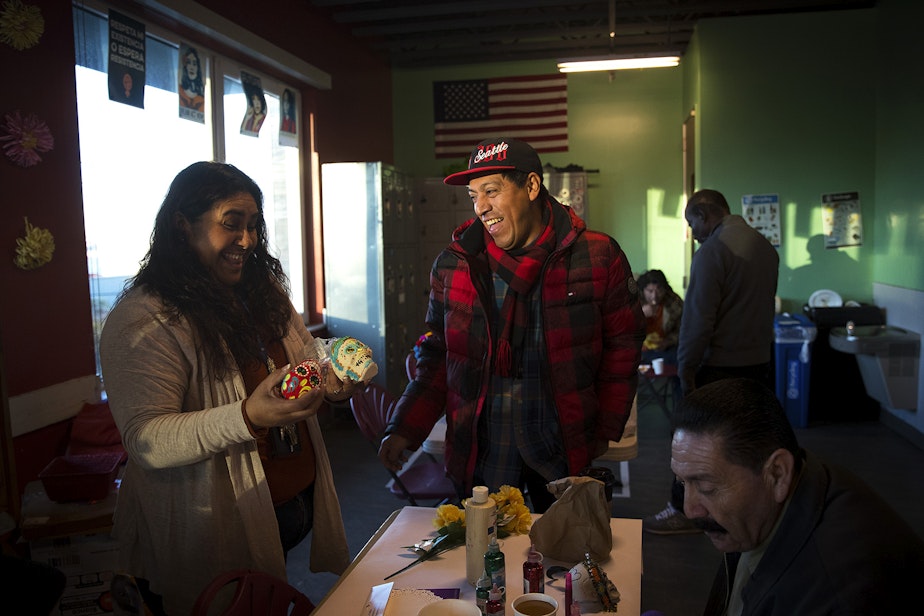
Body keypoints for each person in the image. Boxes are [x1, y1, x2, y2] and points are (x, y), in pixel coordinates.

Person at [99, 162, 352, 615]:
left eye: (253, 226)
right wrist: (247, 417)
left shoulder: (262, 293)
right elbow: (147, 440)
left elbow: (307, 356)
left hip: (284, 511)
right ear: (182, 225)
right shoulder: (144, 319)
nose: (248, 241)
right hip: (212, 531)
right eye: (231, 224)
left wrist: (335, 380)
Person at [378, 137, 645, 513]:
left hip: (563, 448)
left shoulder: (597, 256)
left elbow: (624, 346)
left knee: (565, 562)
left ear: (532, 187)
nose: (481, 207)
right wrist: (406, 425)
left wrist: (604, 429)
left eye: (492, 191)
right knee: (484, 561)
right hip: (482, 453)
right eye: (473, 195)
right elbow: (437, 355)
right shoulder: (455, 265)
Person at [669, 378, 924, 615]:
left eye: (707, 488)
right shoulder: (775, 498)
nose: (690, 510)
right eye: (682, 483)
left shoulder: (833, 593)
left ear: (778, 474)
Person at [644, 188, 779, 534]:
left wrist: (686, 368)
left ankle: (683, 509)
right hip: (760, 362)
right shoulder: (765, 248)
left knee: (694, 443)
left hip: (718, 367)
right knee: (743, 444)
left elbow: (698, 320)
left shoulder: (713, 251)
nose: (694, 233)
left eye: (693, 223)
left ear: (704, 215)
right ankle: (743, 511)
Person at [636, 269, 683, 364]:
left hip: (665, 348)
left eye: (659, 290)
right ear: (642, 290)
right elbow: (621, 327)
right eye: (650, 291)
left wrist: (668, 342)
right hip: (637, 349)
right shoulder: (633, 300)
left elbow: (683, 329)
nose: (654, 296)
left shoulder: (673, 302)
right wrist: (639, 314)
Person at [179, 46, 205, 112]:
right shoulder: (180, 90)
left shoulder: (203, 95)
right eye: (188, 63)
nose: (191, 67)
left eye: (194, 64)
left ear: (198, 67)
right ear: (185, 66)